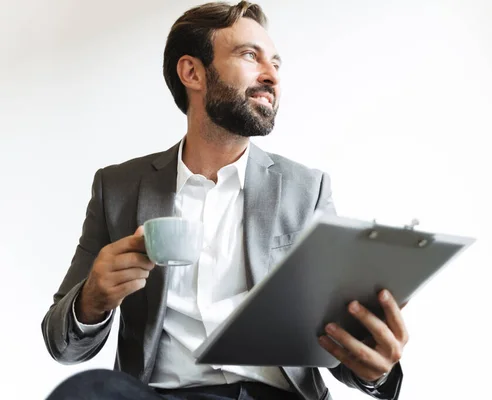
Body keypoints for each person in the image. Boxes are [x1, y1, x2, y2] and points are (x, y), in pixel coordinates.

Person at [41, 2, 408, 399]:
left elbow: (338, 344)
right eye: (250, 55)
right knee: (85, 392)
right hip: (159, 394)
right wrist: (92, 300)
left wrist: (377, 370)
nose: (271, 76)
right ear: (192, 72)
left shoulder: (308, 190)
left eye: (276, 64)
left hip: (275, 395)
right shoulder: (117, 188)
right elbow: (62, 345)